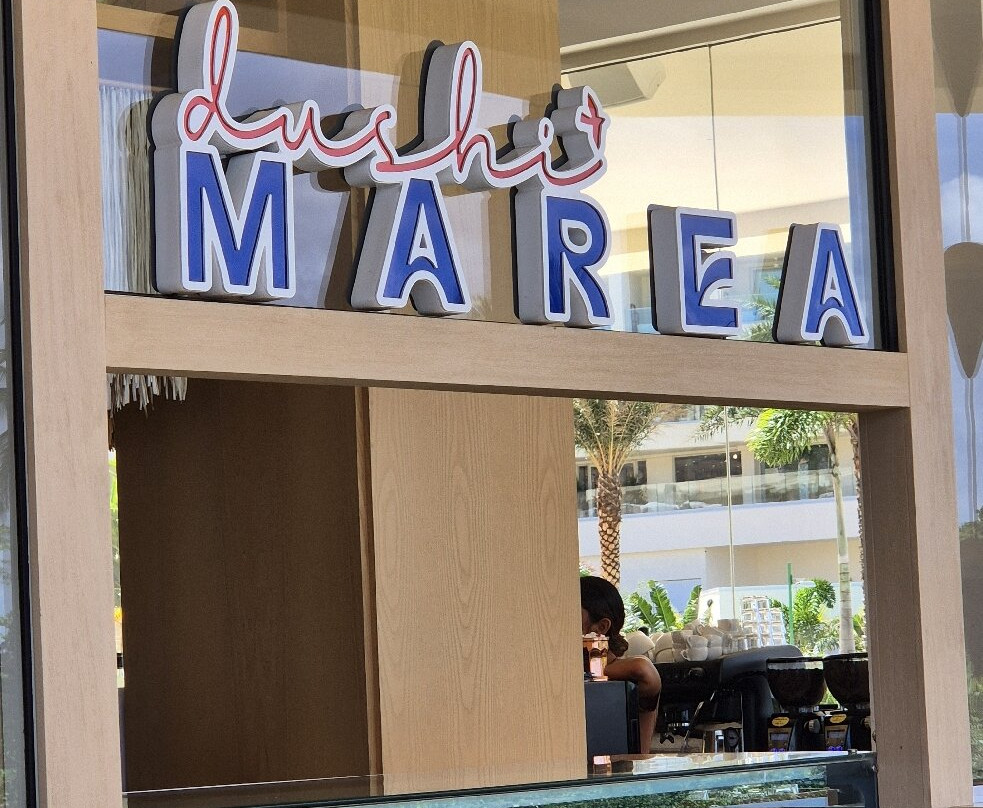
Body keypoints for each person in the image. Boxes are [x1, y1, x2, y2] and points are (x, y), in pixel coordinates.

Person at [581, 575, 662, 752]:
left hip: (622, 768)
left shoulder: (628, 675)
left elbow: (644, 669)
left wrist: (594, 671)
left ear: (602, 627)